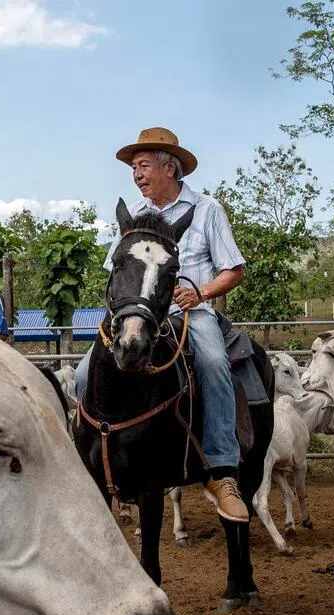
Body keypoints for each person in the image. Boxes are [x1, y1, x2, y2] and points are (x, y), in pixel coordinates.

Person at [76, 127, 249, 523]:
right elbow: (115, 270)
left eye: (143, 165)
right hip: (139, 314)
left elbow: (233, 270)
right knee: (84, 374)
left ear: (169, 167)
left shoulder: (207, 210)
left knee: (211, 364)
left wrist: (200, 293)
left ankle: (222, 472)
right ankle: (91, 461)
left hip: (189, 313)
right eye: (134, 169)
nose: (136, 175)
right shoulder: (133, 217)